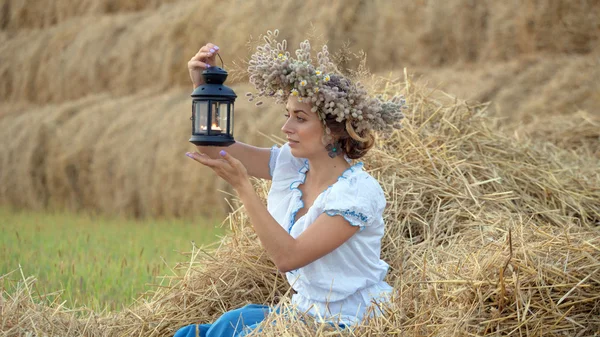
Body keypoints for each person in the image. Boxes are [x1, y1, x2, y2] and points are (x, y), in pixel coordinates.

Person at [175, 31, 405, 337]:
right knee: (205, 331)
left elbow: (289, 257)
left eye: (300, 118)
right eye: (287, 115)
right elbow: (215, 147)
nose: (285, 127)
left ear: (334, 130)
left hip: (348, 322)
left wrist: (244, 187)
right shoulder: (293, 165)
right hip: (303, 312)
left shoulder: (357, 193)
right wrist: (203, 87)